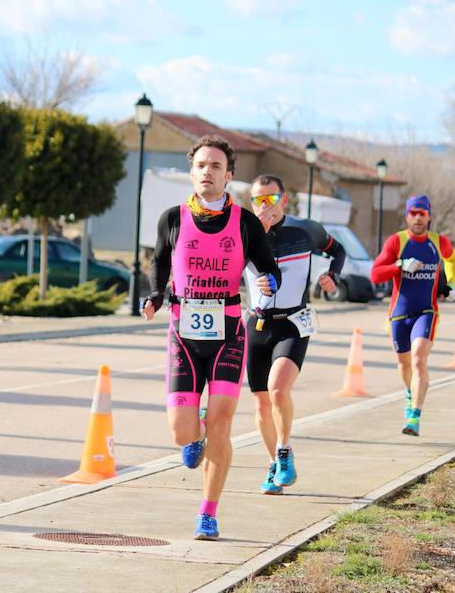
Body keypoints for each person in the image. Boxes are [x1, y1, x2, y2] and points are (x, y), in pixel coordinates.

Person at [141, 135, 281, 540]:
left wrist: (269, 282)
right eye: (201, 165)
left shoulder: (245, 222)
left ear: (229, 176)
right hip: (183, 334)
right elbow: (159, 264)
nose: (207, 172)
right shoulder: (172, 218)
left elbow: (268, 269)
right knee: (181, 434)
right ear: (191, 172)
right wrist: (154, 296)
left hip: (228, 333)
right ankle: (196, 430)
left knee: (222, 426)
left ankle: (208, 512)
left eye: (216, 166)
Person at [242, 174, 345, 495]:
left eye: (270, 199)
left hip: (293, 323)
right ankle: (274, 462)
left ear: (283, 200)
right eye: (258, 200)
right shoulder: (243, 233)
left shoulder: (305, 230)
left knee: (277, 390)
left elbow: (337, 250)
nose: (264, 206)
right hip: (257, 323)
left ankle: (285, 450)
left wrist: (332, 276)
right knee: (260, 404)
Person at [370, 195, 455, 436]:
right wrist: (399, 265)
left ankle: (414, 417)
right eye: (413, 213)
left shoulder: (439, 242)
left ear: (429, 216)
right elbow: (375, 274)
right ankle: (410, 392)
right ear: (407, 215)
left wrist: (450, 284)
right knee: (404, 364)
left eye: (422, 213)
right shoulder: (396, 241)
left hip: (427, 311)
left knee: (419, 358)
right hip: (399, 314)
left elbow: (453, 259)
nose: (418, 218)